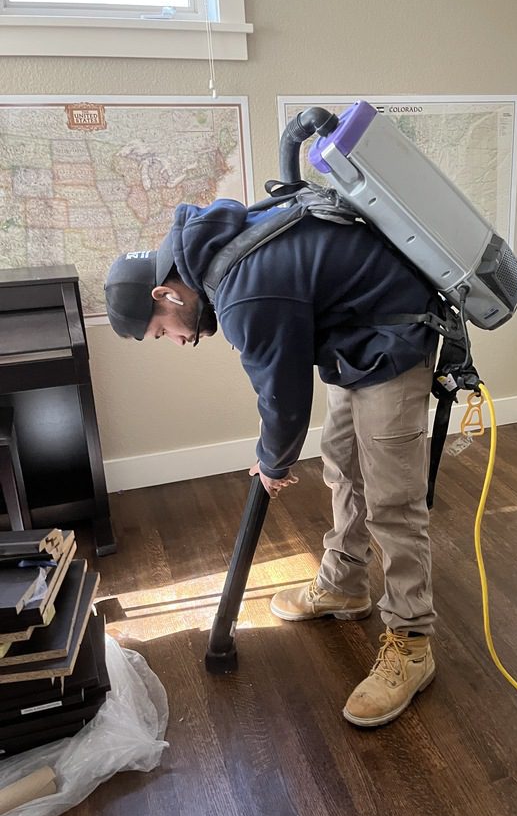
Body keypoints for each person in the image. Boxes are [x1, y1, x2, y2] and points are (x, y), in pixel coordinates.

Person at [104, 198, 441, 727]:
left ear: (165, 293)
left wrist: (272, 463)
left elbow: (283, 400)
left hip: (393, 338)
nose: (179, 339)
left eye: (162, 330)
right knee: (343, 465)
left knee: (392, 499)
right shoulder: (209, 256)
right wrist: (273, 457)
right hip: (356, 336)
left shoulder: (242, 293)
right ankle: (345, 584)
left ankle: (413, 641)